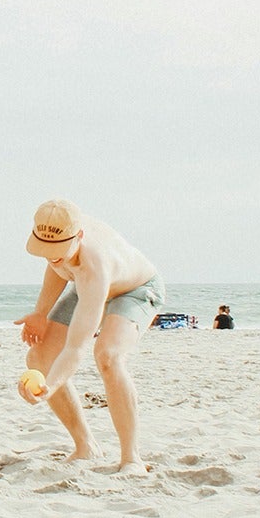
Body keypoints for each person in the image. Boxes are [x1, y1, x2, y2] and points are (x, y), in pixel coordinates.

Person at [15, 199, 164, 474]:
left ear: (79, 236)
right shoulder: (60, 234)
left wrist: (51, 386)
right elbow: (58, 265)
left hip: (135, 290)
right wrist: (40, 313)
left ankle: (132, 459)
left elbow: (76, 347)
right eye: (46, 249)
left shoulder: (95, 265)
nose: (51, 255)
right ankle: (86, 446)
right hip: (87, 286)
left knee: (108, 356)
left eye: (57, 250)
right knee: (39, 356)